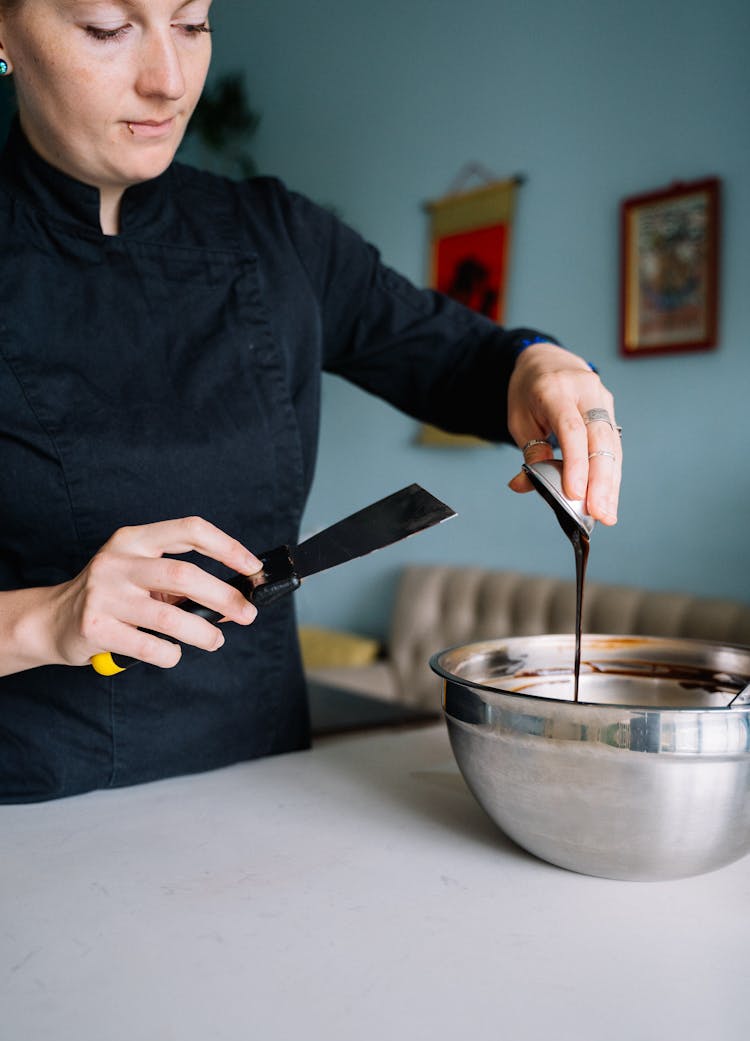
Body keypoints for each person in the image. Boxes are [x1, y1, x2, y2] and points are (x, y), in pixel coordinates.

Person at [0, 0, 622, 803]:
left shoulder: (276, 237)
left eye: (191, 24)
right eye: (107, 30)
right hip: (29, 806)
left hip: (267, 785)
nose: (169, 81)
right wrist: (45, 618)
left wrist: (545, 369)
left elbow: (468, 358)